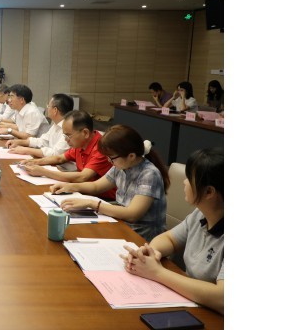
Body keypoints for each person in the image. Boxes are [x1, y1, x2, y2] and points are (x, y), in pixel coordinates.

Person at [121, 148, 223, 314]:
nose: (184, 182)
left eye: (189, 178)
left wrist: (157, 272)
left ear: (209, 192)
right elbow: (169, 238)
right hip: (193, 303)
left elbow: (222, 298)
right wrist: (151, 252)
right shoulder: (200, 214)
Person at [53, 124, 169, 242]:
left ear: (131, 156)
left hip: (142, 237)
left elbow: (132, 214)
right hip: (122, 225)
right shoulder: (121, 165)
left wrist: (91, 203)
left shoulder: (149, 174)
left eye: (111, 158)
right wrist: (70, 186)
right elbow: (96, 186)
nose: (109, 161)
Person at [20, 110, 116, 200]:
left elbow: (82, 177)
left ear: (85, 133)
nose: (66, 139)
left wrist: (44, 172)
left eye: (68, 135)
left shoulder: (101, 148)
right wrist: (34, 162)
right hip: (83, 191)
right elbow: (60, 158)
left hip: (103, 198)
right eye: (64, 135)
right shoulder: (80, 143)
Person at [6, 93, 72, 160]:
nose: (47, 108)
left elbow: (55, 154)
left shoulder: (69, 128)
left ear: (55, 110)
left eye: (48, 106)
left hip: (60, 165)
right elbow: (43, 141)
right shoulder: (56, 124)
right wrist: (20, 142)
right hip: (49, 161)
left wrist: (26, 150)